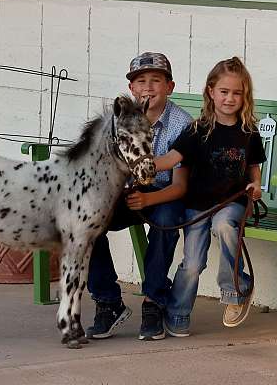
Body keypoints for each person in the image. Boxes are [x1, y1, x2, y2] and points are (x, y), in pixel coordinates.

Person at [154, 56, 266, 337]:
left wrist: (256, 187)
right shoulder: (197, 130)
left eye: (237, 93)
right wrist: (145, 164)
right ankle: (177, 313)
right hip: (198, 205)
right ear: (211, 92)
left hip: (233, 203)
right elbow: (171, 158)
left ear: (245, 96)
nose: (230, 99)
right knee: (192, 263)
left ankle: (236, 290)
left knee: (224, 225)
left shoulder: (248, 133)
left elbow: (254, 170)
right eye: (224, 92)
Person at [86, 52, 192, 341]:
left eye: (156, 81)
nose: (148, 87)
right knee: (89, 223)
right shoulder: (119, 121)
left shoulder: (182, 124)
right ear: (131, 89)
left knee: (168, 219)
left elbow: (181, 187)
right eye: (141, 81)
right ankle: (108, 301)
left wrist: (147, 200)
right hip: (126, 193)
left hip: (164, 194)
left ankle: (154, 300)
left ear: (170, 87)